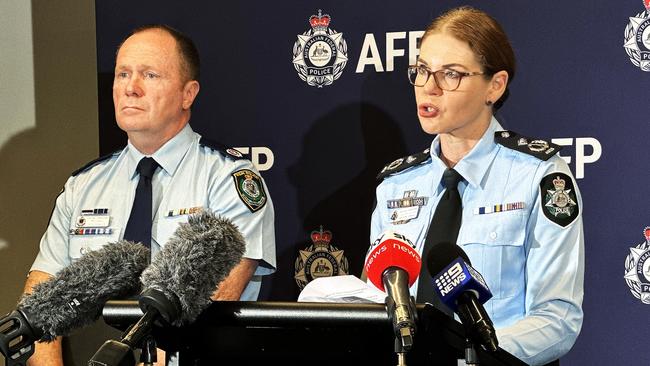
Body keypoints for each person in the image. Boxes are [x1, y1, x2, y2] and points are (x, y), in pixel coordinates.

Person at [23, 24, 276, 365]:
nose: (131, 88)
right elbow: (40, 298)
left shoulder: (228, 177)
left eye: (150, 75)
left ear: (188, 94)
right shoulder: (83, 185)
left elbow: (218, 295)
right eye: (123, 74)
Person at [367, 6, 583, 366]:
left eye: (450, 74)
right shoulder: (394, 185)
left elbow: (557, 318)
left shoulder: (539, 175)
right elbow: (379, 302)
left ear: (494, 86)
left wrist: (472, 357)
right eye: (421, 71)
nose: (429, 88)